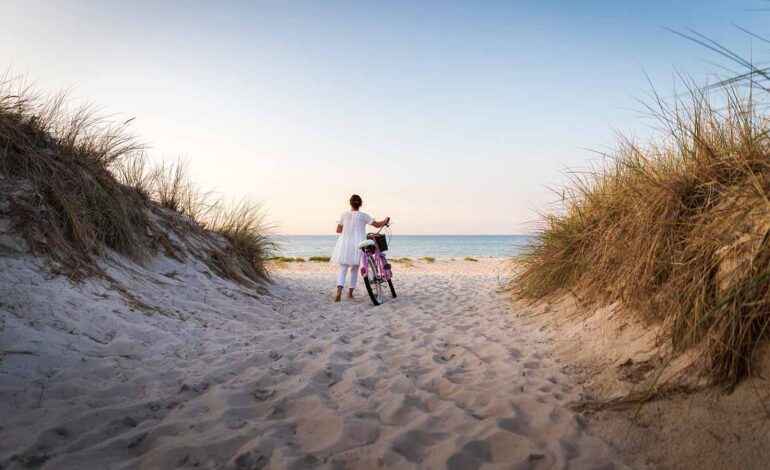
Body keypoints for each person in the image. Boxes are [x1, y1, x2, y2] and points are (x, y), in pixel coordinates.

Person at [331, 194, 389, 302]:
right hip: (359, 244)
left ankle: (339, 291)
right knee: (354, 269)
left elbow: (338, 230)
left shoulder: (344, 215)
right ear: (360, 204)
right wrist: (385, 220)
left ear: (350, 203)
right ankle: (350, 293)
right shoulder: (363, 215)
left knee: (343, 268)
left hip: (345, 243)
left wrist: (348, 229)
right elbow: (377, 225)